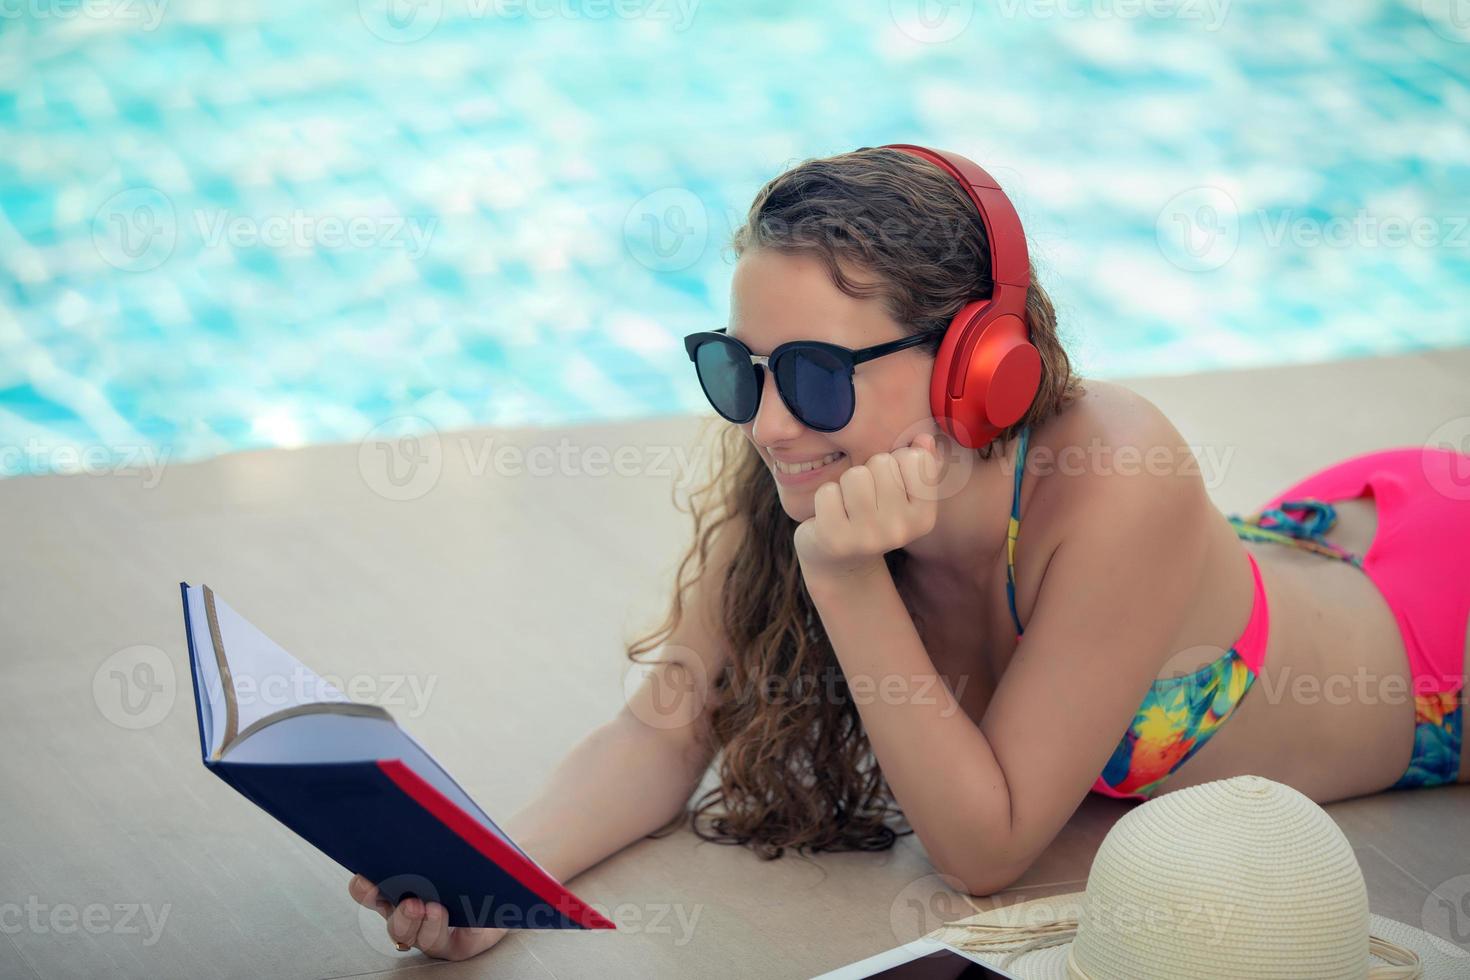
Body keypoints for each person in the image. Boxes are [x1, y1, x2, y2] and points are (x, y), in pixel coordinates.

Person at [350, 145, 1470, 961]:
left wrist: (841, 577)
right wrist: (495, 870)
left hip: (1434, 635)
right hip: (1316, 540)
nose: (773, 423)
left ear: (975, 367)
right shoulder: (798, 461)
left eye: (819, 374)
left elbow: (985, 848)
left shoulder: (1117, 472)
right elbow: (663, 722)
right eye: (742, 370)